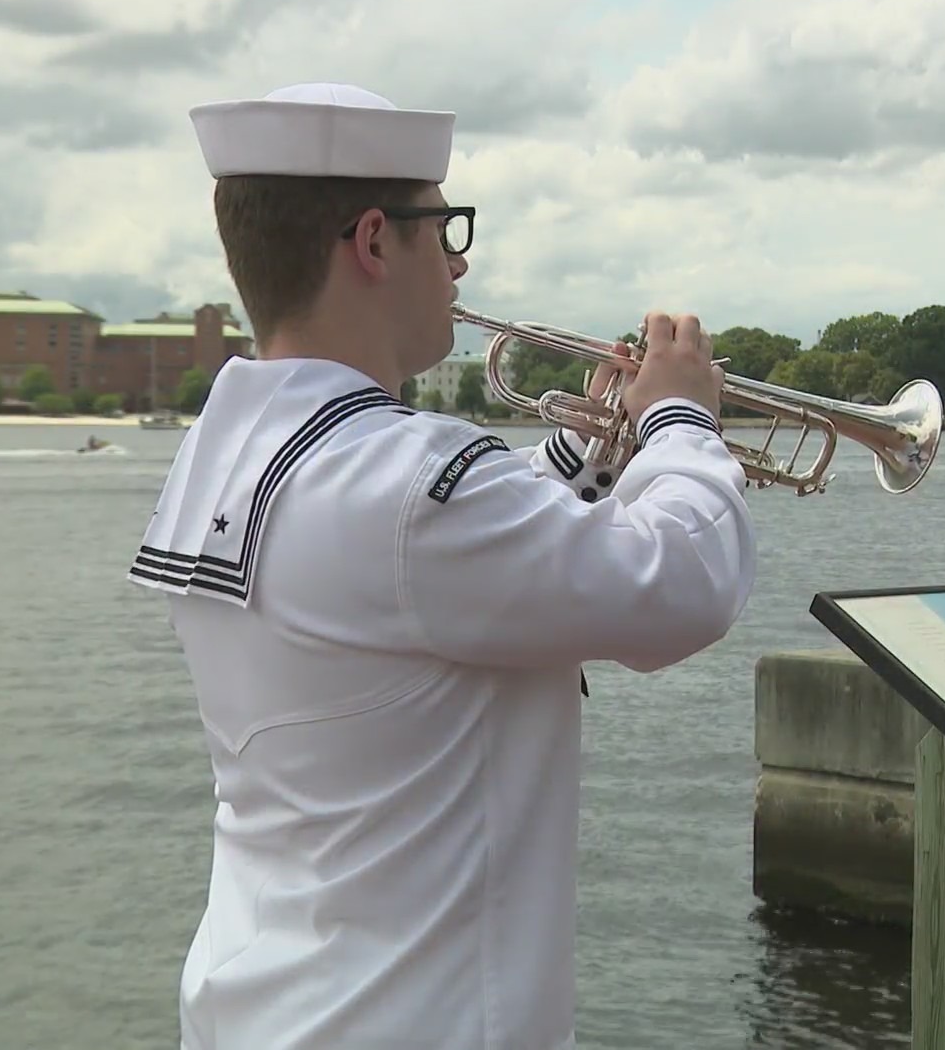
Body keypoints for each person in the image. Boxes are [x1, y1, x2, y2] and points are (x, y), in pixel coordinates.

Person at [126, 82, 757, 1050]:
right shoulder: (411, 484)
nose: (460, 262)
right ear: (376, 241)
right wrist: (681, 419)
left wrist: (584, 462)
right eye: (444, 226)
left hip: (263, 1005)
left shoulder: (235, 446)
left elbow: (411, 590)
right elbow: (685, 586)